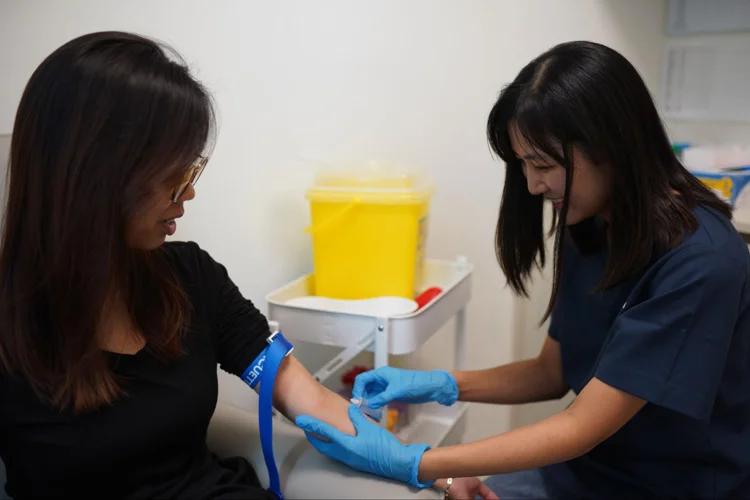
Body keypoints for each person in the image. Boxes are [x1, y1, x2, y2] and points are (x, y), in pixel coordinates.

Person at [0, 31, 494, 500]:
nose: (189, 191)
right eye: (172, 173)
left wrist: (435, 469)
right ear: (97, 172)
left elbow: (311, 401)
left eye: (191, 168)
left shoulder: (190, 278)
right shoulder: (11, 322)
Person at [295, 40, 750, 499]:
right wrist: (443, 385)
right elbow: (551, 372)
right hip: (586, 469)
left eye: (543, 165)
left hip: (677, 485)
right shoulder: (592, 226)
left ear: (610, 145)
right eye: (524, 165)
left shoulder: (701, 263)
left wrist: (421, 463)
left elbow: (582, 425)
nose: (533, 185)